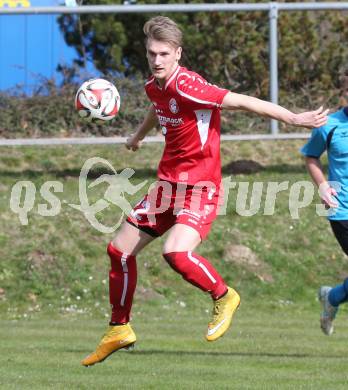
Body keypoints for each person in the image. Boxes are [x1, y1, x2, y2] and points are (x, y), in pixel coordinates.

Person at [81, 16, 328, 366]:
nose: (157, 60)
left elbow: (242, 101)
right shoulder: (155, 85)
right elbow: (158, 109)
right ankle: (119, 329)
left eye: (164, 53)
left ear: (178, 53)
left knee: (176, 253)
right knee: (119, 251)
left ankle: (224, 296)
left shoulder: (188, 85)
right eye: (152, 53)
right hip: (167, 185)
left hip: (200, 187)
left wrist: (292, 118)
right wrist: (138, 136)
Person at [301, 105, 348, 336]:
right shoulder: (328, 125)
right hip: (342, 209)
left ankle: (333, 297)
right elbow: (311, 156)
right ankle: (333, 297)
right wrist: (323, 186)